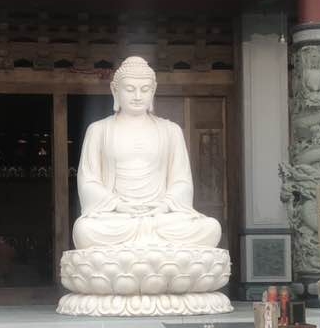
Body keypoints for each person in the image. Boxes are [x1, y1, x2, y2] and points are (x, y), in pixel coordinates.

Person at [71, 56, 221, 249]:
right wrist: (117, 205)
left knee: (211, 228)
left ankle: (143, 241)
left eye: (144, 89)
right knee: (84, 230)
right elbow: (88, 182)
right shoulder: (98, 130)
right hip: (118, 218)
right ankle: (152, 245)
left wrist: (165, 205)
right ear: (115, 90)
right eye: (129, 89)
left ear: (153, 90)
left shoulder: (170, 130)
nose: (137, 96)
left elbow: (181, 182)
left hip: (160, 217)